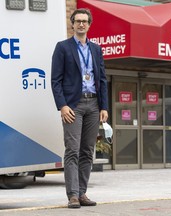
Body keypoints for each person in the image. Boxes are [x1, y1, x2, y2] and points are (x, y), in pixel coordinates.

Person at [51, 8, 108, 208]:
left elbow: (102, 79)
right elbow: (55, 80)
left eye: (85, 21)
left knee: (87, 151)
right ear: (72, 24)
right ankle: (73, 195)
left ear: (89, 25)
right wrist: (63, 105)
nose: (81, 24)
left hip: (93, 104)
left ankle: (82, 193)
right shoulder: (63, 47)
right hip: (73, 106)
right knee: (72, 150)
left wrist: (104, 106)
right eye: (78, 21)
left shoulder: (96, 49)